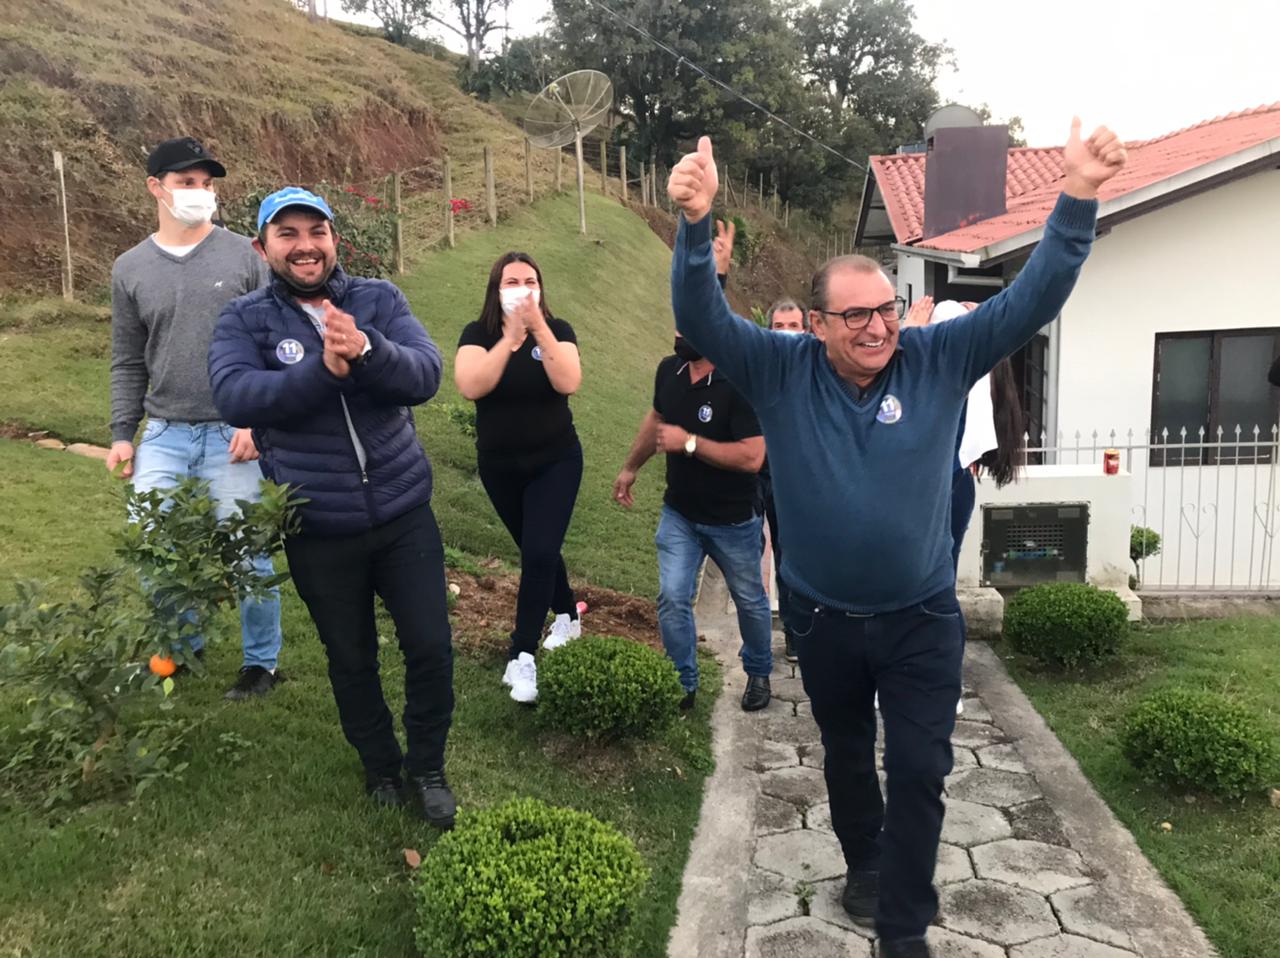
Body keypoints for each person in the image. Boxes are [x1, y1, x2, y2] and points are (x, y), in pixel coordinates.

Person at [667, 121, 1126, 957]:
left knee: (920, 766)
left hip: (920, 617)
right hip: (822, 618)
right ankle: (866, 864)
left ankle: (904, 917)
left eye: (885, 309)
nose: (877, 328)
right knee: (846, 754)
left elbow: (1030, 301)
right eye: (856, 316)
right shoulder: (779, 368)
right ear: (816, 322)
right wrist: (695, 227)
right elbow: (700, 313)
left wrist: (1078, 197)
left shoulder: (937, 356)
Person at [208, 187, 456, 827]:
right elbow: (236, 395)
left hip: (403, 514)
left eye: (315, 231)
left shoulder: (379, 299)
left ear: (334, 240)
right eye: (286, 234)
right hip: (318, 526)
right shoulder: (244, 320)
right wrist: (324, 371)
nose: (305, 246)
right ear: (262, 247)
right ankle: (381, 766)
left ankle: (428, 766)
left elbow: (426, 374)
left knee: (430, 647)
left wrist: (368, 349)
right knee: (351, 658)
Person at [107, 136, 284, 701]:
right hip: (162, 434)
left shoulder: (244, 257)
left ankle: (261, 664)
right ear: (156, 188)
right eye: (187, 183)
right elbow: (127, 359)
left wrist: (255, 421)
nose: (200, 193)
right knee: (156, 549)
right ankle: (181, 648)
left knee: (248, 554)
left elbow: (272, 342)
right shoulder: (130, 268)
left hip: (233, 432)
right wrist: (122, 434)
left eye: (206, 184)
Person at [612, 326, 773, 713]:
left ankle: (758, 670)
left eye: (688, 326)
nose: (678, 333)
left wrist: (689, 443)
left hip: (733, 521)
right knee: (672, 597)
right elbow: (656, 419)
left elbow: (752, 457)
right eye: (677, 324)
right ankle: (682, 682)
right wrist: (630, 467)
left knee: (750, 601)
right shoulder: (669, 371)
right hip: (680, 514)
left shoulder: (740, 382)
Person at [454, 253, 584, 705]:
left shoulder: (559, 330)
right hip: (500, 467)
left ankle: (521, 655)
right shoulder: (478, 334)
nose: (523, 288)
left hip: (556, 461)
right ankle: (567, 613)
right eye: (512, 281)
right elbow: (471, 385)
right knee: (536, 548)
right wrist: (509, 339)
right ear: (497, 289)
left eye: (531, 280)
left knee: (539, 552)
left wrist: (538, 329)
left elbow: (569, 381)